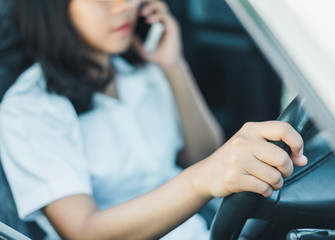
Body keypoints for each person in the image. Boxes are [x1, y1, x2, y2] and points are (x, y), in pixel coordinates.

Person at [0, 0, 308, 239]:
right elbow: (83, 231)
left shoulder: (141, 71)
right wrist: (202, 178)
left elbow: (201, 152)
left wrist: (173, 67)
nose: (125, 6)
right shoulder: (29, 108)